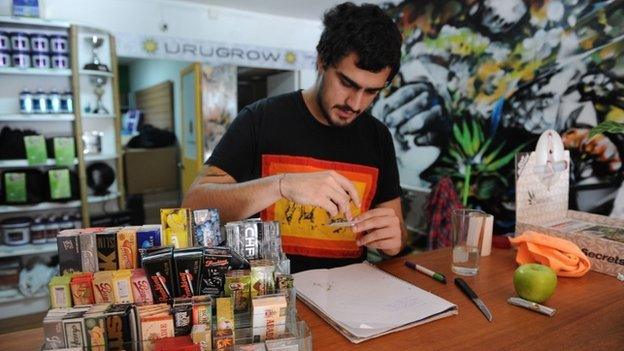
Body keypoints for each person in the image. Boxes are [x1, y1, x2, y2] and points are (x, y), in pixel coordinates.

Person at [182, 2, 407, 273]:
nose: (356, 103)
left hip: (350, 299)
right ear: (321, 61)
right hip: (269, 301)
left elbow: (396, 229)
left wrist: (395, 241)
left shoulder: (378, 136)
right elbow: (192, 208)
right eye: (347, 83)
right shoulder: (260, 119)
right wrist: (281, 185)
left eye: (371, 91)